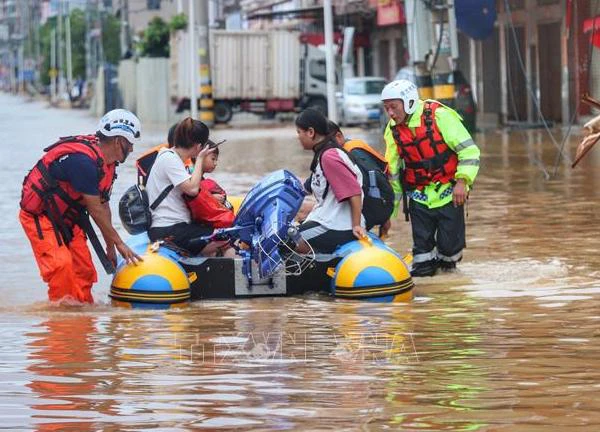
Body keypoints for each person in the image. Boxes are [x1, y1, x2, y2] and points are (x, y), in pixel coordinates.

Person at [19, 109, 143, 304]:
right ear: (119, 141)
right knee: (61, 267)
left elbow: (103, 205)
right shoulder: (83, 162)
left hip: (69, 217)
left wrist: (110, 246)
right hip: (41, 216)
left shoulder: (107, 163)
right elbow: (94, 210)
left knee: (84, 270)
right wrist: (120, 243)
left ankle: (83, 321)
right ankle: (62, 324)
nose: (132, 150)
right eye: (130, 144)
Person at [381, 79, 480, 276]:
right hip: (419, 198)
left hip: (450, 193)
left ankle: (449, 295)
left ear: (408, 101)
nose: (390, 113)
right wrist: (387, 216)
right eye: (386, 108)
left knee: (449, 255)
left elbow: (470, 152)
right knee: (422, 258)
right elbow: (391, 176)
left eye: (393, 107)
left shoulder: (440, 116)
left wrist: (462, 182)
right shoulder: (393, 130)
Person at [146, 117, 230, 256]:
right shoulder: (169, 159)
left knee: (220, 233)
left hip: (176, 227)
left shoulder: (172, 157)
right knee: (227, 237)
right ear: (198, 146)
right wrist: (201, 158)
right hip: (169, 229)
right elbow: (192, 190)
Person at [294, 108, 366, 254]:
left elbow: (354, 192)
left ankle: (313, 271)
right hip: (332, 220)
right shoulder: (324, 153)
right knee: (292, 230)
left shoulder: (329, 156)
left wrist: (356, 225)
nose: (298, 137)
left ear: (310, 132)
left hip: (339, 226)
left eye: (299, 133)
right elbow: (308, 186)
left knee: (286, 241)